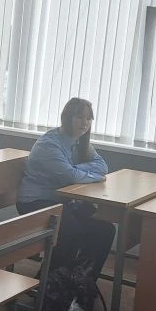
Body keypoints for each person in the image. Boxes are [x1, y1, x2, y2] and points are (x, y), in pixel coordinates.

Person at [16, 97, 115, 290]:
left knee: (105, 230)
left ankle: (81, 281)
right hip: (35, 202)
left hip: (61, 201)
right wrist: (80, 172)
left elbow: (102, 167)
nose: (85, 122)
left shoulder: (80, 142)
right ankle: (47, 284)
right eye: (79, 117)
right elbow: (70, 176)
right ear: (67, 118)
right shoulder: (49, 144)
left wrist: (76, 170)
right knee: (71, 232)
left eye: (89, 118)